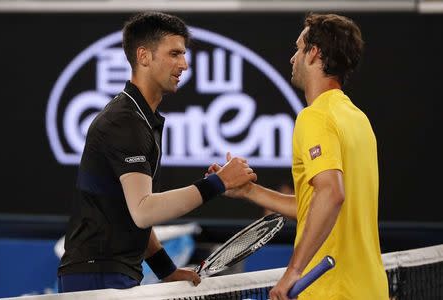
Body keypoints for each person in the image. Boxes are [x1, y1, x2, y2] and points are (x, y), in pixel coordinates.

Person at [57, 11, 257, 293]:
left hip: (112, 273)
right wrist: (218, 183)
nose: (184, 64)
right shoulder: (124, 122)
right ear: (144, 56)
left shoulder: (139, 119)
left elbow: (129, 214)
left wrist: (167, 270)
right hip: (97, 278)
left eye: (184, 54)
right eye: (174, 54)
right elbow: (143, 211)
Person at [210, 13, 389, 299]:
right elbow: (317, 204)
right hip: (370, 288)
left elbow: (331, 194)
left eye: (298, 48)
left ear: (314, 53)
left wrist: (293, 270)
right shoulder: (357, 118)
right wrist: (249, 191)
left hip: (332, 291)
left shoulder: (315, 118)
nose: (292, 58)